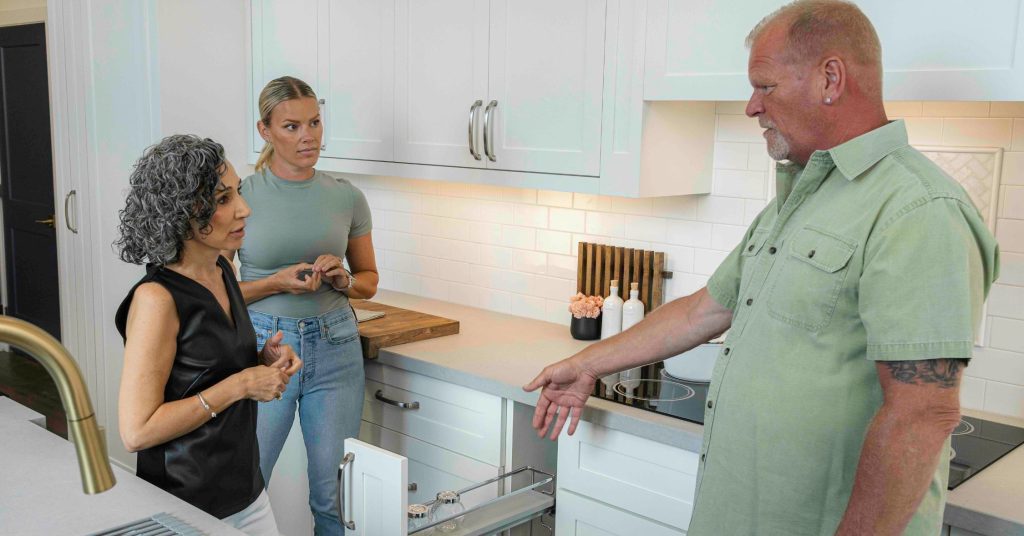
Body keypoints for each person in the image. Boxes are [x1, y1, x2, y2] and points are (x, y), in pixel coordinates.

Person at [524, 1, 1000, 534]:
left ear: (831, 78)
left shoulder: (920, 211)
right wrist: (591, 363)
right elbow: (703, 310)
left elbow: (922, 414)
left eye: (764, 86)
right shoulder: (802, 196)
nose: (752, 107)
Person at [114, 134, 302, 535]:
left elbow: (204, 373)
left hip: (247, 493)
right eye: (223, 200)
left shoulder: (221, 270)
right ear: (183, 212)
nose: (244, 209)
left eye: (237, 193)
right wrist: (241, 384)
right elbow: (137, 430)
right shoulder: (156, 299)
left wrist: (261, 364)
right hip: (184, 505)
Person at [231, 75, 379, 535]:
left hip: (336, 345)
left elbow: (369, 282)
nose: (308, 136)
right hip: (264, 348)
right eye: (292, 126)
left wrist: (344, 279)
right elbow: (215, 293)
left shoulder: (346, 196)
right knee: (242, 491)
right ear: (265, 130)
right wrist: (274, 282)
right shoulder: (241, 198)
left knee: (335, 498)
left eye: (314, 122)